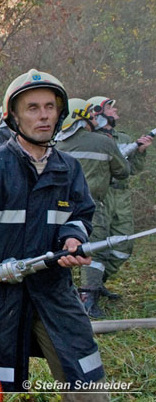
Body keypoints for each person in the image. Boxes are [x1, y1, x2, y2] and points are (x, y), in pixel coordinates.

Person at [0, 69, 108, 401]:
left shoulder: (69, 169)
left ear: (60, 112)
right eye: (33, 108)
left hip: (55, 295)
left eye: (50, 107)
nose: (44, 116)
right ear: (14, 116)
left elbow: (80, 215)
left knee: (87, 379)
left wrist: (71, 240)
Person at [55, 98, 130, 318]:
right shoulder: (103, 142)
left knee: (60, 250)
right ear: (83, 117)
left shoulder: (55, 143)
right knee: (95, 250)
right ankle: (87, 300)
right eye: (92, 114)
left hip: (58, 206)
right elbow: (123, 171)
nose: (95, 118)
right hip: (91, 205)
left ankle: (64, 294)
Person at [89, 96, 153, 299]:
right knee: (98, 244)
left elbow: (132, 169)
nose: (116, 112)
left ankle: (98, 282)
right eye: (110, 108)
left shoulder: (124, 139)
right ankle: (89, 291)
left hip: (122, 196)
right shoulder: (90, 139)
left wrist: (140, 151)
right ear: (98, 112)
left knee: (124, 244)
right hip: (101, 195)